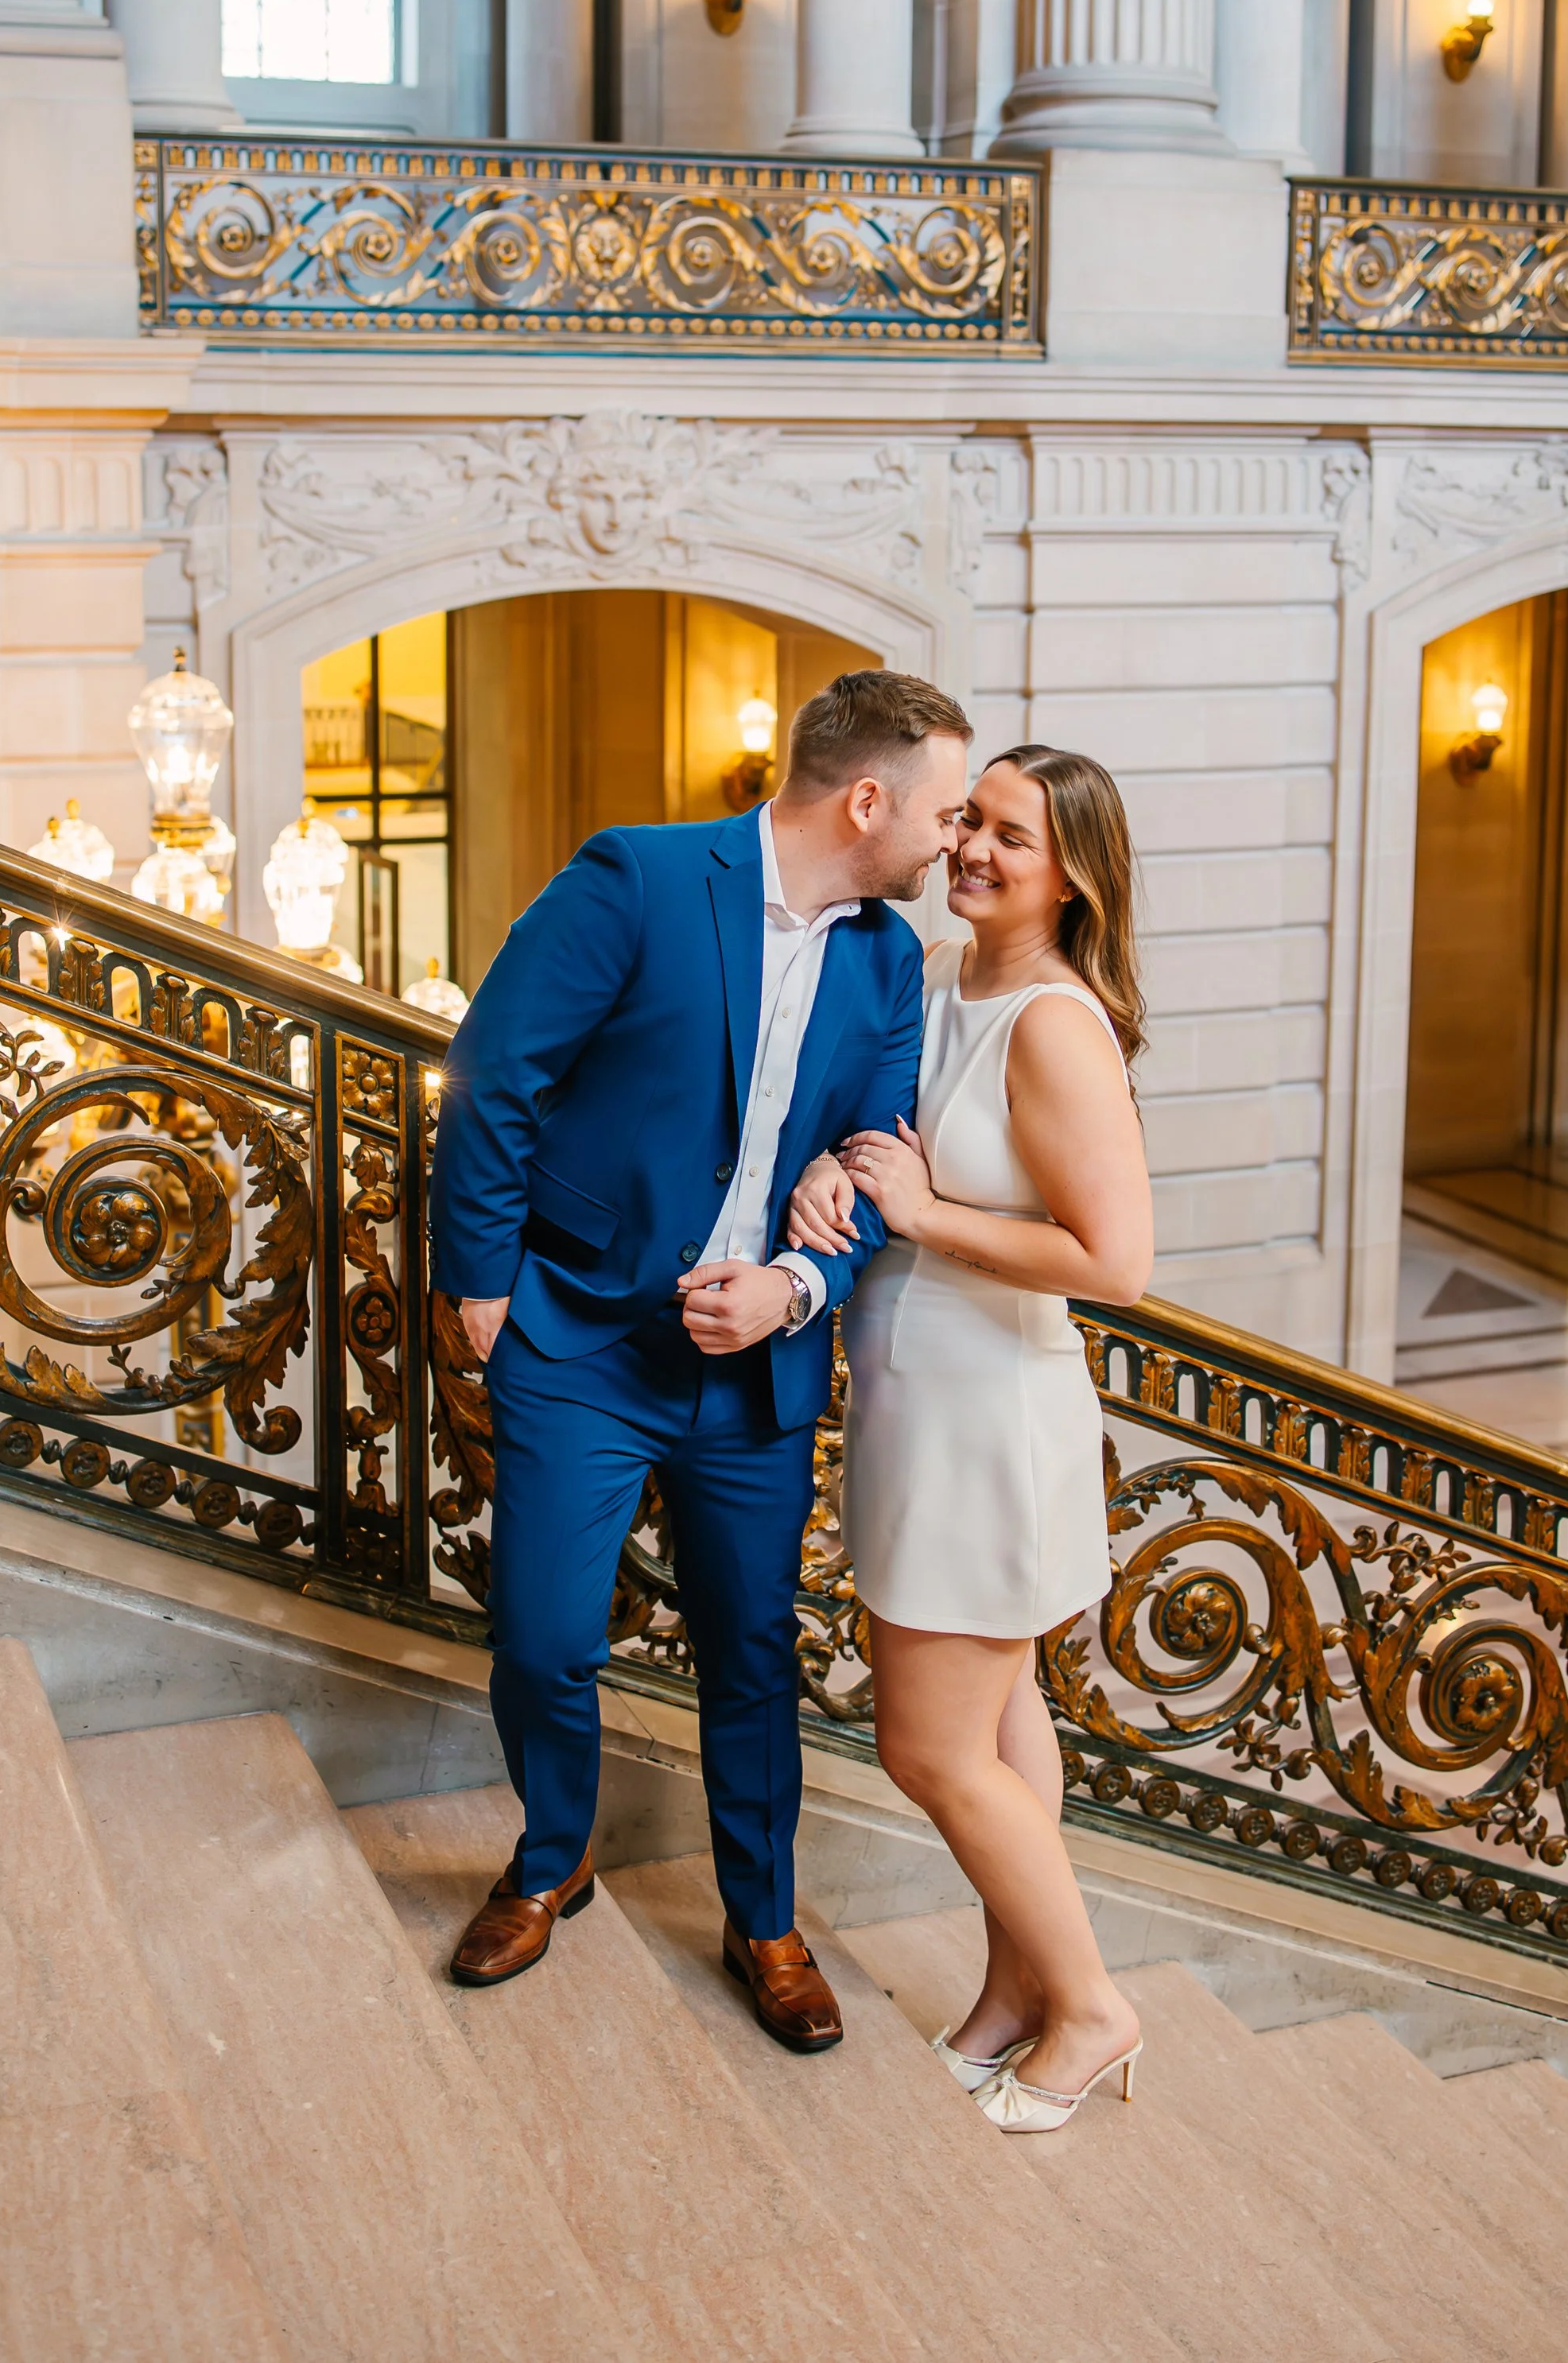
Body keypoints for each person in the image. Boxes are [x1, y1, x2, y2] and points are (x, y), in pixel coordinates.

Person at [428, 669, 972, 2051]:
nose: (953, 841)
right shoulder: (638, 879)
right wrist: (482, 1282)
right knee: (545, 1637)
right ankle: (553, 1858)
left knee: (751, 1650)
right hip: (580, 1337)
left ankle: (765, 1918)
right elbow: (498, 1074)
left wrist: (795, 1285)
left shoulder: (888, 959)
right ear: (869, 798)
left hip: (755, 1381)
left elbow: (874, 1162)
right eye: (946, 810)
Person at [787, 745, 1154, 2132]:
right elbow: (888, 1147)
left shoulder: (1053, 1022)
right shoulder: (946, 980)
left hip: (988, 1419)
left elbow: (1115, 1260)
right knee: (1003, 1723)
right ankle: (1021, 1994)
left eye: (1010, 835)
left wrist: (928, 1215)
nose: (973, 850)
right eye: (969, 821)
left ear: (1072, 874)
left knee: (929, 1750)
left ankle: (1098, 2008)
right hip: (910, 1396)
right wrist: (847, 1173)